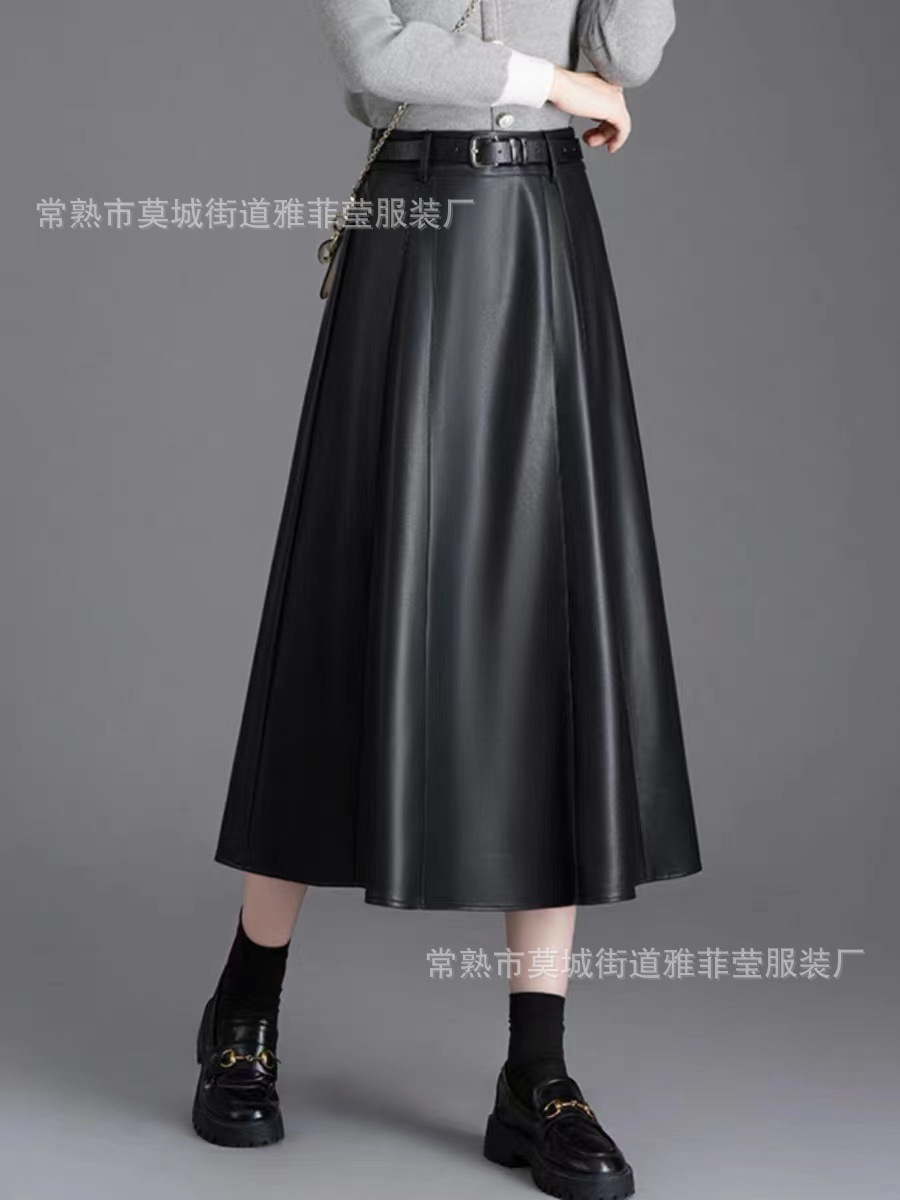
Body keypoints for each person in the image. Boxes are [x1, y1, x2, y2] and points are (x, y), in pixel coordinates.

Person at [192, 3, 702, 1198]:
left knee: (548, 626)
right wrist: (561, 86)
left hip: (542, 226)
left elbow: (626, 55)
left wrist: (582, 83)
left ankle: (538, 1071)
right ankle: (246, 1002)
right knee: (344, 606)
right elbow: (377, 51)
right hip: (413, 222)